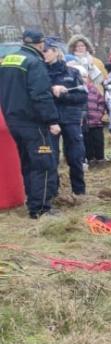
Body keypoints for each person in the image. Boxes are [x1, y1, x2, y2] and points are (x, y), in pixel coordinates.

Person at [0, 29, 61, 218]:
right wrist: (52, 120)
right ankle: (41, 208)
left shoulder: (7, 60)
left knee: (27, 163)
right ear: (40, 44)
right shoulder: (34, 63)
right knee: (43, 165)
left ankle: (32, 201)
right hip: (34, 123)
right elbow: (41, 95)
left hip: (13, 120)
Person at [46, 51, 88, 196]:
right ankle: (53, 192)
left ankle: (79, 191)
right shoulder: (39, 72)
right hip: (49, 119)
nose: (44, 53)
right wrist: (51, 91)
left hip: (71, 119)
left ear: (56, 52)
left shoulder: (73, 72)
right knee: (51, 157)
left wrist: (64, 94)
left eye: (46, 50)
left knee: (76, 155)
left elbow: (82, 96)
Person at [83, 68, 106, 166]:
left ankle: (100, 158)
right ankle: (90, 158)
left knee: (98, 140)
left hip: (96, 121)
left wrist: (99, 113)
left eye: (84, 77)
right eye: (80, 77)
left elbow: (101, 102)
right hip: (84, 123)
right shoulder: (76, 90)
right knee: (87, 141)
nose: (83, 79)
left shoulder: (93, 89)